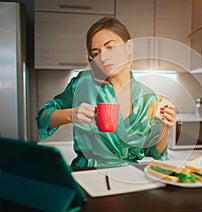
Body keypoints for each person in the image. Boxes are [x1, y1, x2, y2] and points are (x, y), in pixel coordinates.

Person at [35, 17, 176, 167]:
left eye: (110, 47)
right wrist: (71, 114)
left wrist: (165, 130)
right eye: (96, 53)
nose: (103, 57)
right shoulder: (83, 84)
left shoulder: (148, 98)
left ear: (128, 47)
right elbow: (43, 116)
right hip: (87, 172)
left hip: (128, 174)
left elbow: (154, 152)